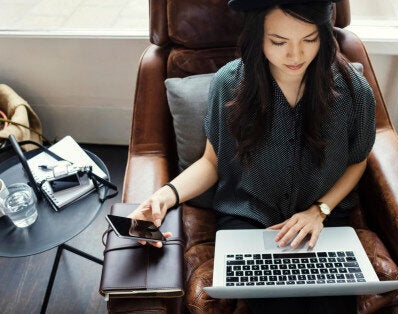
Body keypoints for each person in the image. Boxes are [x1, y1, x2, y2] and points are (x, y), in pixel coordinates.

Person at [129, 0, 375, 312]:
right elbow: (211, 162)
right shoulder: (228, 84)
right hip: (249, 215)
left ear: (324, 36)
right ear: (257, 36)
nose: (295, 55)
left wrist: (319, 210)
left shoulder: (356, 91)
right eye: (279, 42)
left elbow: (358, 159)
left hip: (321, 220)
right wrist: (164, 197)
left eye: (309, 40)